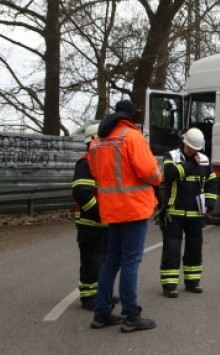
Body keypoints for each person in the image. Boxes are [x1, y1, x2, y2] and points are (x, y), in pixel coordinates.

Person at [88, 99, 162, 333]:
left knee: (112, 260)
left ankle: (101, 313)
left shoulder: (98, 141)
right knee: (131, 261)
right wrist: (158, 177)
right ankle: (131, 315)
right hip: (134, 208)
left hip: (111, 209)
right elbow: (149, 172)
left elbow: (95, 172)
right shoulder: (132, 137)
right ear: (130, 115)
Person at [158, 128, 219, 298]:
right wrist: (192, 164)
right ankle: (169, 285)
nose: (194, 151)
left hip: (196, 214)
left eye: (196, 149)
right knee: (172, 249)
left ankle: (192, 282)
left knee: (194, 249)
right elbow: (171, 174)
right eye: (192, 148)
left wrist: (209, 204)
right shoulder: (171, 156)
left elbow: (212, 182)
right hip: (174, 212)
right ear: (185, 143)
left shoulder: (204, 160)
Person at [72, 123, 111, 310]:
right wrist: (99, 213)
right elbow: (82, 193)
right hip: (90, 222)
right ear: (94, 141)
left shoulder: (103, 162)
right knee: (91, 261)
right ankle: (88, 297)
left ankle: (102, 294)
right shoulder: (86, 163)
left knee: (104, 260)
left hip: (105, 222)